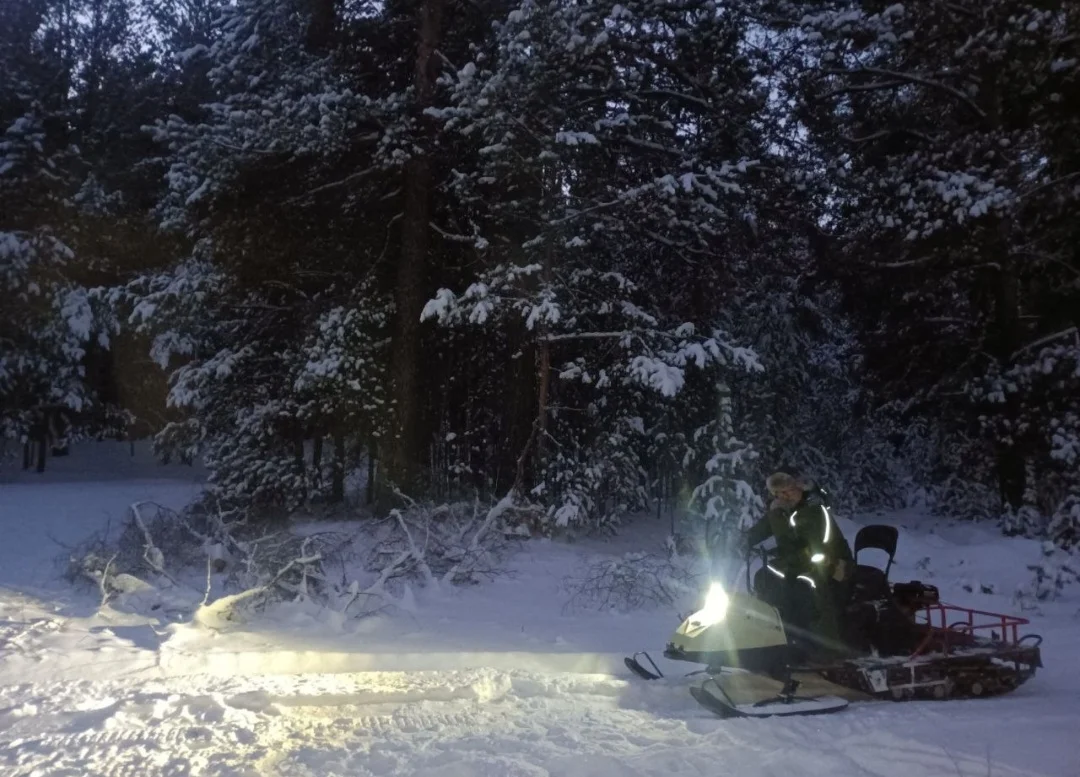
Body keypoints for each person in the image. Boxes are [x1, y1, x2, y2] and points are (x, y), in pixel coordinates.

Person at [744, 471, 854, 654]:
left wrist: (795, 554)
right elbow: (757, 532)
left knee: (810, 585)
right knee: (764, 577)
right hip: (795, 564)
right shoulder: (778, 512)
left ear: (799, 488)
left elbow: (821, 545)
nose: (784, 496)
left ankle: (827, 648)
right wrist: (738, 541)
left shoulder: (815, 512)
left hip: (831, 563)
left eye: (788, 491)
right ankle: (774, 637)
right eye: (778, 493)